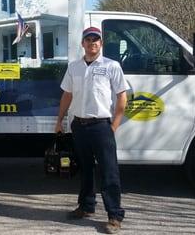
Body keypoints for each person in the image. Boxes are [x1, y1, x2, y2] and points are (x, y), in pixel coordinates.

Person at [54, 26, 128, 234]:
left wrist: (114, 125)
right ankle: (86, 207)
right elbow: (67, 95)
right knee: (85, 169)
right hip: (79, 126)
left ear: (101, 44)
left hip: (101, 126)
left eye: (96, 40)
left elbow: (122, 97)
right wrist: (60, 120)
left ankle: (114, 215)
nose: (92, 43)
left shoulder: (111, 66)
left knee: (109, 172)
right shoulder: (74, 67)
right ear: (82, 43)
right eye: (88, 39)